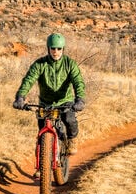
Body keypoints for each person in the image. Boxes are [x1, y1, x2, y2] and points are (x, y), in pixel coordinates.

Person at [13, 33, 86, 173]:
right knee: (41, 134)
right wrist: (20, 97)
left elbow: (78, 82)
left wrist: (80, 99)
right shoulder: (40, 64)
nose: (56, 52)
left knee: (70, 120)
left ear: (63, 49)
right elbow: (29, 80)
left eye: (59, 48)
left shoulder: (70, 64)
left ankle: (71, 140)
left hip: (65, 102)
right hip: (45, 103)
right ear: (48, 48)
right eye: (53, 48)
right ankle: (42, 165)